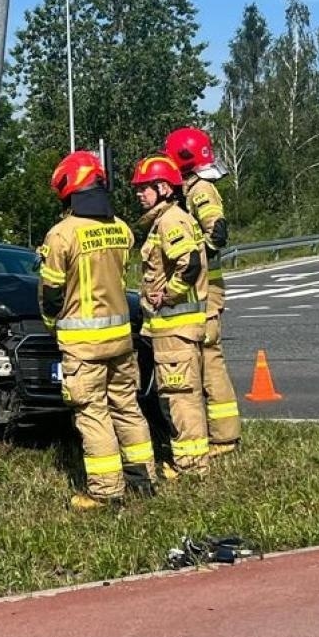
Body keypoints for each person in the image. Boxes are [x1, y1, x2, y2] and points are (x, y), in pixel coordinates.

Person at [38, 150, 155, 510]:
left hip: (82, 345)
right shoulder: (121, 229)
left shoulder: (61, 235)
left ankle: (106, 491)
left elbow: (51, 294)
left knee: (93, 412)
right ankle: (143, 479)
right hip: (120, 339)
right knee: (127, 407)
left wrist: (50, 326)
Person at [131, 155, 210, 478]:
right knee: (177, 396)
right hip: (170, 330)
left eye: (144, 188)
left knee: (180, 398)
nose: (139, 194)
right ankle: (189, 461)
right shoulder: (167, 219)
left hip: (176, 328)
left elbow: (189, 264)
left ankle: (191, 466)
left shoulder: (170, 221)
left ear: (163, 188)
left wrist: (169, 294)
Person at [165, 126, 241, 456]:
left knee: (209, 362)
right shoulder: (194, 187)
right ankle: (221, 434)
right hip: (205, 290)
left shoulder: (200, 189)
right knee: (206, 361)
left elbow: (217, 231)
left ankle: (223, 438)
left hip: (206, 291)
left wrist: (195, 257)